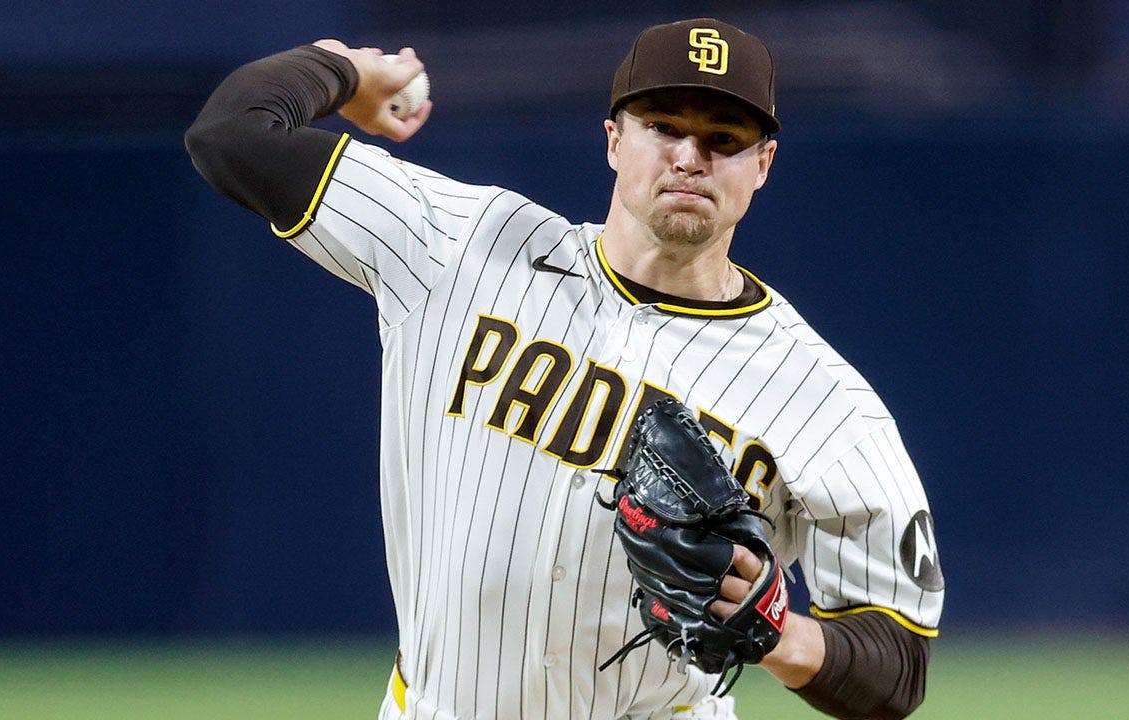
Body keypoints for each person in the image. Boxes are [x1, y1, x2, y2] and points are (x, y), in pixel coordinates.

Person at [186, 17, 943, 720]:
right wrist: (345, 71)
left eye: (723, 138)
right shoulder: (461, 245)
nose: (689, 157)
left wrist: (778, 632)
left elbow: (897, 669)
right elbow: (231, 135)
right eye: (664, 127)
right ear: (613, 140)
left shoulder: (825, 401)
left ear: (763, 164)